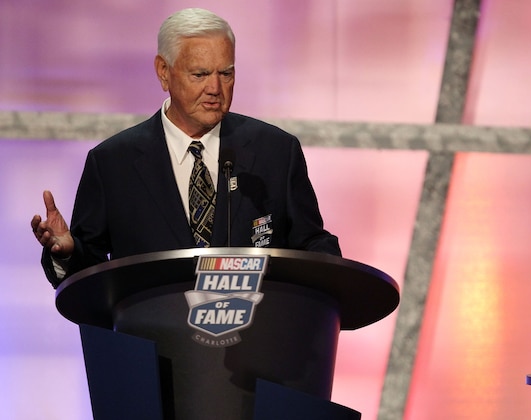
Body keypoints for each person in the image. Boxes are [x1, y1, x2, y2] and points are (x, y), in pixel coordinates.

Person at [31, 8, 341, 288]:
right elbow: (91, 273)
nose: (215, 89)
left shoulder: (276, 152)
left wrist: (335, 273)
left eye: (226, 73)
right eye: (200, 74)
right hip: (153, 344)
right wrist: (68, 252)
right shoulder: (113, 163)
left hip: (253, 344)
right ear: (163, 71)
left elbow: (310, 243)